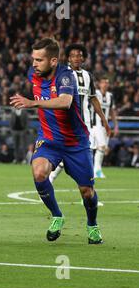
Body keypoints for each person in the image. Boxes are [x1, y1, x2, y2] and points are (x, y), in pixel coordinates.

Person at [10, 38, 103, 244]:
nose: (34, 64)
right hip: (49, 139)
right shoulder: (33, 74)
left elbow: (65, 102)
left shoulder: (66, 76)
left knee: (87, 192)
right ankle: (57, 216)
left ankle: (92, 225)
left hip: (75, 143)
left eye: (39, 60)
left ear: (53, 61)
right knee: (39, 172)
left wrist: (33, 103)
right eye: (33, 59)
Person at [49, 43, 110, 183]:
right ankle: (51, 178)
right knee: (67, 157)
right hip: (68, 125)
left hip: (85, 125)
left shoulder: (88, 76)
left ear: (83, 59)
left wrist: (104, 120)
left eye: (79, 56)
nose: (77, 58)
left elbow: (93, 98)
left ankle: (87, 195)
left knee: (85, 159)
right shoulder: (63, 74)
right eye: (73, 56)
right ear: (68, 59)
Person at [92, 76, 119, 178]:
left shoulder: (110, 96)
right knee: (102, 147)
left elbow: (112, 112)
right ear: (99, 84)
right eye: (103, 82)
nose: (105, 84)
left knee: (101, 149)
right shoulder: (95, 94)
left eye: (107, 83)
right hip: (95, 124)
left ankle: (96, 170)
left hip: (105, 126)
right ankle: (97, 171)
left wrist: (116, 126)